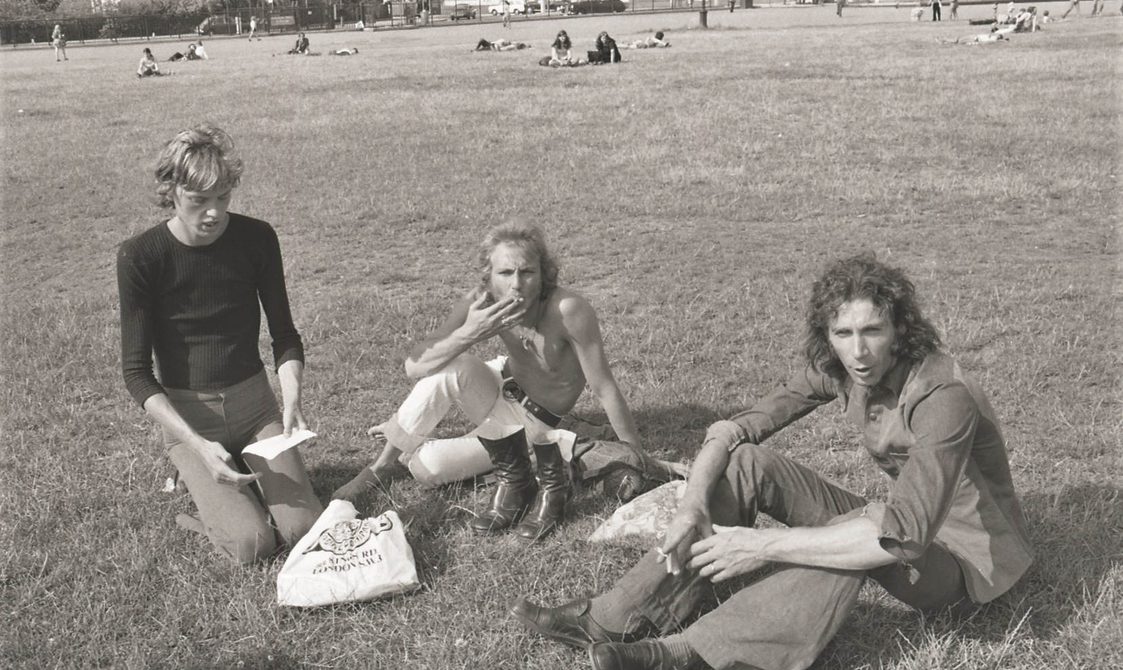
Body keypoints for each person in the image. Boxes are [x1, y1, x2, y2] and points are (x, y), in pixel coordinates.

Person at [513, 254, 1033, 670]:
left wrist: (760, 544)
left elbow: (904, 537)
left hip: (965, 567)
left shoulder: (943, 396)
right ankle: (611, 618)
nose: (859, 352)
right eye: (843, 334)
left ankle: (688, 653)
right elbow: (733, 431)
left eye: (873, 331)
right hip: (903, 524)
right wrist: (692, 504)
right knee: (747, 463)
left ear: (899, 328)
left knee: (856, 535)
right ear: (827, 335)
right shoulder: (845, 368)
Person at [333, 222, 644, 541]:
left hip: (533, 419)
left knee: (425, 467)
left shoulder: (568, 310)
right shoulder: (483, 301)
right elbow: (415, 366)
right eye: (505, 273)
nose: (517, 284)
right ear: (489, 275)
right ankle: (380, 467)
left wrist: (636, 455)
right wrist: (471, 333)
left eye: (527, 272)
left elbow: (604, 387)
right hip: (496, 381)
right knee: (450, 366)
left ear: (544, 273)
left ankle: (524, 460)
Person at [117, 124, 322, 564]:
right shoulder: (141, 256)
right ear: (171, 191)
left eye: (223, 197)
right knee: (251, 545)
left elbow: (285, 335)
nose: (213, 213)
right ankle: (200, 490)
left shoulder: (257, 238)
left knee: (303, 530)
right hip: (191, 418)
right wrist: (195, 444)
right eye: (198, 200)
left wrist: (291, 398)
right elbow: (136, 373)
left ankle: (241, 472)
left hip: (256, 409)